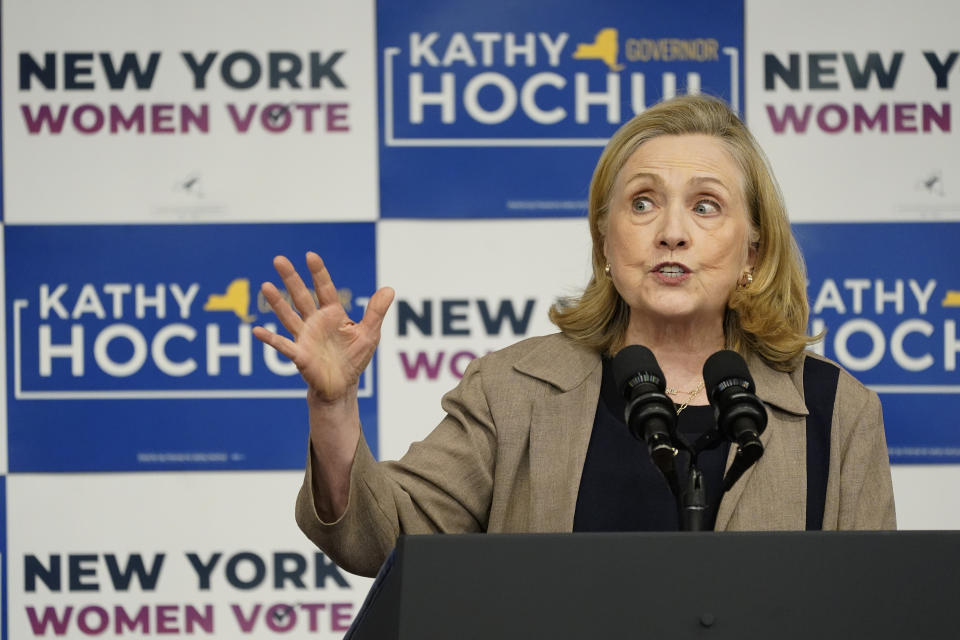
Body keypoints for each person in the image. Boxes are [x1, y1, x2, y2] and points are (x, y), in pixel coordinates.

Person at [253, 94, 896, 578]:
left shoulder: (838, 412)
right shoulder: (515, 391)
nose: (671, 231)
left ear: (753, 247)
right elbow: (381, 539)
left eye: (706, 206)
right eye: (642, 202)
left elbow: (876, 606)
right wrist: (334, 409)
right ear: (606, 242)